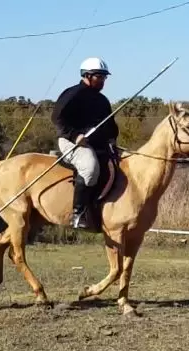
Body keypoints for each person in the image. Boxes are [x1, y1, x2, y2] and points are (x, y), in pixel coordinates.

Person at [50, 57, 119, 229]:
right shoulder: (72, 94)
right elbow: (57, 118)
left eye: (104, 77)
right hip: (71, 141)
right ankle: (78, 214)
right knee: (90, 168)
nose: (103, 80)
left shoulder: (102, 100)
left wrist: (112, 139)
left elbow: (110, 125)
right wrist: (75, 136)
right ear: (87, 75)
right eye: (99, 76)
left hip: (98, 144)